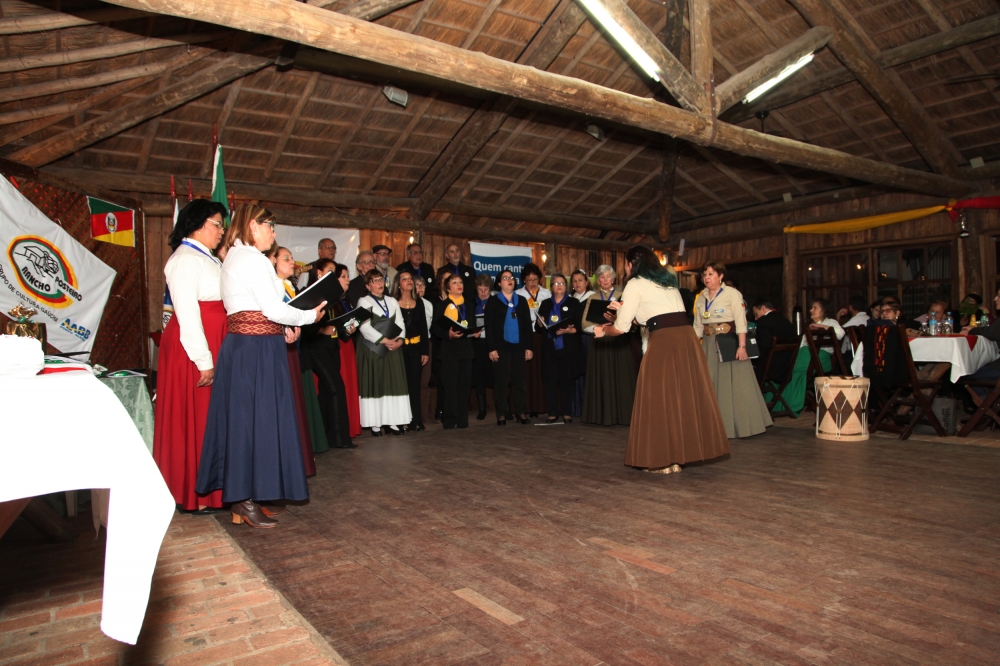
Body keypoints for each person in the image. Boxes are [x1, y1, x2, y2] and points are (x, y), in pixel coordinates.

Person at [197, 204, 326, 529]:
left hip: (254, 346)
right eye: (271, 225)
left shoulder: (240, 256)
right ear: (254, 225)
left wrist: (283, 329)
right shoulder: (250, 258)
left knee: (258, 423)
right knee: (250, 423)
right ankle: (242, 498)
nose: (274, 232)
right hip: (253, 350)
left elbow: (258, 311)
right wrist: (309, 317)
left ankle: (253, 494)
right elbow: (271, 308)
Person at [593, 246, 729, 474]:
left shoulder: (635, 283)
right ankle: (678, 457)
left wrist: (603, 331)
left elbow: (621, 328)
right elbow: (654, 316)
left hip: (664, 341)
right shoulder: (667, 282)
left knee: (655, 396)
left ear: (630, 264)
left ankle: (661, 460)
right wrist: (624, 311)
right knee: (680, 397)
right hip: (685, 338)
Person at [153, 199, 228, 513]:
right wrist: (203, 359)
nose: (221, 231)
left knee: (210, 418)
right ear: (197, 223)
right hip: (194, 348)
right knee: (194, 417)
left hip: (214, 340)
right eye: (217, 224)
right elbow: (187, 314)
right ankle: (191, 494)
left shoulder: (207, 257)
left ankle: (214, 489)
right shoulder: (184, 259)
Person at [693, 262, 771, 438]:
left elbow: (741, 322)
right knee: (709, 383)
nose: (707, 278)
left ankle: (739, 426)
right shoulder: (701, 297)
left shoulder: (732, 294)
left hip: (728, 341)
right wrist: (694, 348)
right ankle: (711, 426)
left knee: (733, 385)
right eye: (704, 274)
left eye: (711, 274)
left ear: (721, 276)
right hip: (708, 343)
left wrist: (742, 346)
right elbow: (697, 326)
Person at [300, 259, 357, 449]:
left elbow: (337, 326)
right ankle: (339, 439)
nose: (333, 275)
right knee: (336, 388)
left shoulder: (334, 296)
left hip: (332, 348)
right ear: (319, 273)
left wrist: (347, 330)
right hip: (315, 348)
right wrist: (322, 330)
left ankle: (325, 436)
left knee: (327, 391)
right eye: (330, 270)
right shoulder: (309, 293)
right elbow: (303, 325)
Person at [274, 246, 318, 475]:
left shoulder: (291, 287)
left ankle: (298, 456)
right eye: (286, 258)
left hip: (293, 347)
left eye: (292, 258)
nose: (293, 262)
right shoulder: (272, 286)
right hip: (279, 349)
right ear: (273, 262)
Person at [356, 270, 411, 435]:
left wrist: (400, 341)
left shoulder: (391, 301)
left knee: (392, 384)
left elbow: (400, 322)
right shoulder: (363, 301)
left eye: (381, 280)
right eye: (375, 281)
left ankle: (392, 421)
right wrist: (384, 340)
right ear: (368, 286)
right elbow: (364, 327)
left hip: (393, 348)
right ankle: (375, 424)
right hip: (374, 348)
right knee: (377, 383)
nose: (380, 283)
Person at [581, 265, 636, 426]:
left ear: (613, 278)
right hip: (599, 343)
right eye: (602, 277)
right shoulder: (592, 298)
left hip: (618, 342)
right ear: (598, 281)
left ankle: (622, 415)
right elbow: (584, 324)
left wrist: (615, 321)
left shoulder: (622, 296)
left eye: (608, 276)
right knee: (601, 379)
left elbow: (631, 323)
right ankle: (600, 416)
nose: (605, 280)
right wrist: (598, 328)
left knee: (621, 378)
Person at [774, 298, 845, 415]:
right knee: (783, 369)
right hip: (805, 356)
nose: (811, 310)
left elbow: (840, 333)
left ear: (823, 310)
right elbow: (801, 345)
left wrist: (822, 327)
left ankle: (791, 405)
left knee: (796, 371)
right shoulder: (809, 326)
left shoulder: (830, 322)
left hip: (820, 359)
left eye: (815, 308)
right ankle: (777, 404)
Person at [485, 270, 534, 425]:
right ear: (499, 283)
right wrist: (491, 348)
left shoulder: (522, 300)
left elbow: (527, 326)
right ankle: (501, 413)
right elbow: (489, 327)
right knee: (501, 381)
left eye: (511, 278)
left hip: (519, 346)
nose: (509, 280)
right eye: (505, 278)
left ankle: (521, 411)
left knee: (519, 381)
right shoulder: (493, 301)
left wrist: (529, 347)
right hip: (500, 347)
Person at [432, 273, 478, 429]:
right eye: (454, 282)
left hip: (466, 350)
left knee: (464, 387)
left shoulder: (469, 305)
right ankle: (450, 420)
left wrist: (475, 332)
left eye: (460, 282)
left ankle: (462, 419)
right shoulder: (442, 305)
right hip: (449, 351)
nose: (459, 285)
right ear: (448, 288)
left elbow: (471, 324)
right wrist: (448, 334)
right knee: (450, 387)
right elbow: (436, 328)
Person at [536, 274, 584, 424]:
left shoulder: (573, 302)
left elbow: (580, 326)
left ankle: (567, 413)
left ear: (566, 286)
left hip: (568, 347)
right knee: (550, 381)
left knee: (567, 381)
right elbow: (538, 327)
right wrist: (539, 323)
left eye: (562, 283)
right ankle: (552, 413)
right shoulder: (545, 304)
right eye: (556, 283)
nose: (559, 286)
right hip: (549, 348)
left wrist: (569, 330)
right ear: (551, 286)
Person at [393, 270, 429, 431]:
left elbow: (423, 328)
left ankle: (416, 420)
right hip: (399, 349)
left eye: (410, 279)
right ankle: (401, 420)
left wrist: (425, 351)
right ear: (398, 284)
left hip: (415, 349)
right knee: (401, 386)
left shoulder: (419, 302)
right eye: (404, 279)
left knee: (415, 385)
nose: (409, 281)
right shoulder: (393, 302)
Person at [330, 263, 362, 438]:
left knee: (350, 384)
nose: (348, 279)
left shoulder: (345, 300)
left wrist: (351, 328)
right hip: (337, 346)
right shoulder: (332, 301)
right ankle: (342, 428)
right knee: (342, 384)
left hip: (347, 344)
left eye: (348, 276)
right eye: (343, 276)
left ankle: (350, 426)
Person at [516, 263, 550, 418]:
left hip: (542, 335)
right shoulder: (518, 295)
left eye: (535, 279)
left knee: (541, 369)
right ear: (524, 280)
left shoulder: (546, 294)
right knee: (527, 371)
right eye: (529, 280)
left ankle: (542, 405)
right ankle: (528, 406)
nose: (532, 283)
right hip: (525, 335)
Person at [751, 299, 797, 384]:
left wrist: (752, 360)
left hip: (771, 369)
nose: (756, 318)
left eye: (756, 314)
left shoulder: (764, 321)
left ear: (763, 308)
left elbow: (763, 346)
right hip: (787, 368)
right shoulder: (785, 321)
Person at [569, 269, 594, 417]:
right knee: (576, 372)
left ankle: (589, 408)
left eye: (580, 280)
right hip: (573, 339)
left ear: (586, 282)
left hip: (587, 339)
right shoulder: (570, 299)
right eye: (574, 281)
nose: (577, 283)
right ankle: (576, 407)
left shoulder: (592, 297)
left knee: (587, 371)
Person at [471, 273, 494, 420]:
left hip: (493, 342)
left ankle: (503, 408)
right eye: (480, 289)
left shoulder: (496, 302)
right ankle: (482, 409)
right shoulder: (472, 303)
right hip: (477, 343)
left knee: (496, 375)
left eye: (486, 289)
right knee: (479, 376)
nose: (483, 292)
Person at [415, 276, 435, 423]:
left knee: (424, 381)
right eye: (417, 285)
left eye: (423, 285)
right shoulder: (406, 303)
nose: (421, 287)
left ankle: (425, 414)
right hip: (411, 343)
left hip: (426, 343)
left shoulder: (428, 304)